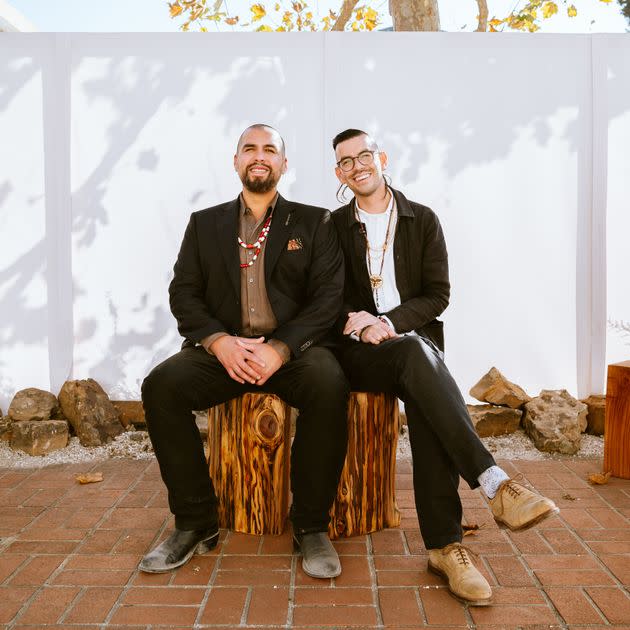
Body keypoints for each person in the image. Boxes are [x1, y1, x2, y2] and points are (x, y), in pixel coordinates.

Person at [330, 128, 559, 606]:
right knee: (422, 365)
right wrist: (360, 326)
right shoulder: (332, 226)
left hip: (410, 343)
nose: (357, 166)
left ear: (382, 158)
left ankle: (446, 549)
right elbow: (324, 297)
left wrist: (389, 322)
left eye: (363, 155)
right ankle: (492, 488)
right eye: (345, 161)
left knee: (421, 374)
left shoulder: (421, 220)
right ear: (339, 173)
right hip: (357, 352)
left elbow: (438, 295)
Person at [140, 124, 348, 579]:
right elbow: (184, 293)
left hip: (293, 352)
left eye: (269, 149)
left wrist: (281, 347)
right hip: (227, 349)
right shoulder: (205, 223)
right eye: (249, 149)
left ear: (283, 164)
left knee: (329, 383)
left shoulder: (315, 222)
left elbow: (328, 298)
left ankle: (311, 524)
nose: (259, 156)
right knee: (160, 387)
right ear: (236, 162)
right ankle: (195, 523)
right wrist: (218, 342)